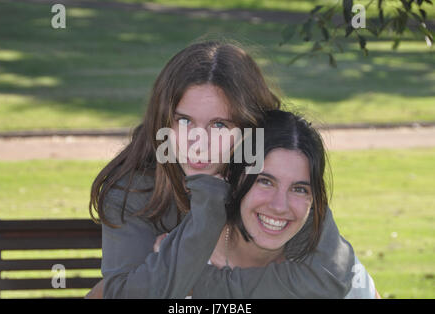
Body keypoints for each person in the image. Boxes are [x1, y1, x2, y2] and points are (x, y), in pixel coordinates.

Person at [88, 39, 357, 299]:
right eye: (184, 121)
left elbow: (329, 278)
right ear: (163, 121)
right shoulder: (134, 190)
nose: (198, 142)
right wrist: (209, 203)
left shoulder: (269, 175)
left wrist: (198, 283)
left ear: (250, 130)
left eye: (219, 125)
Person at [153, 110, 379, 298]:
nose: (279, 206)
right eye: (265, 182)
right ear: (234, 176)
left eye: (299, 189)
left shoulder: (337, 273)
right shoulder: (175, 265)